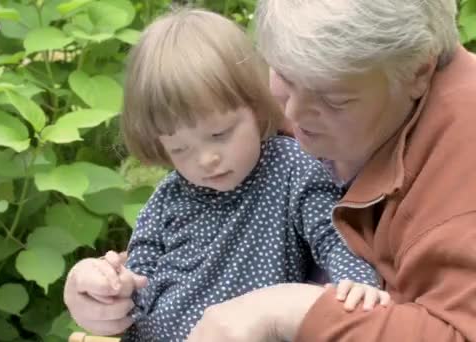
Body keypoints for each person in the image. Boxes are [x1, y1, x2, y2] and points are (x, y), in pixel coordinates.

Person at [63, 8, 390, 341]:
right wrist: (113, 288)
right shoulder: (169, 195)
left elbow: (333, 236)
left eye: (220, 134)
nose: (206, 159)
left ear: (256, 107)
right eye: (180, 149)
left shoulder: (291, 168)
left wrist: (357, 282)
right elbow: (140, 278)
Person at [183, 0, 476, 341]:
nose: (295, 111)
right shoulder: (340, 89)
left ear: (418, 73)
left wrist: (288, 310)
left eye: (333, 99)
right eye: (285, 77)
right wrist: (131, 283)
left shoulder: (463, 167)